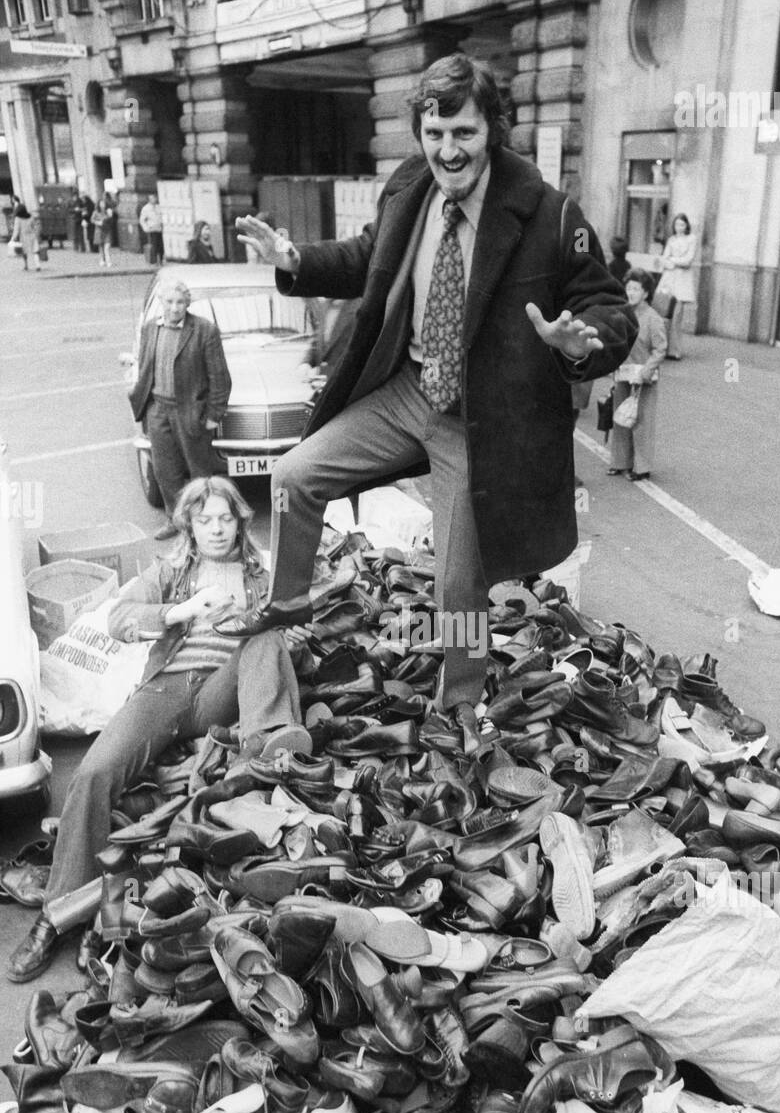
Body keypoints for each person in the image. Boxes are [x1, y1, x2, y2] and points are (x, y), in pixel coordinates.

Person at [216, 54, 635, 732]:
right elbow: (365, 257)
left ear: (493, 129)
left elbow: (608, 305)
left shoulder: (549, 215)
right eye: (435, 133)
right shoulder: (409, 187)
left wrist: (584, 339)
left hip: (480, 420)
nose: (448, 150)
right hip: (407, 390)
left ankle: (462, 702)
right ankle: (286, 612)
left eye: (464, 133)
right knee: (293, 474)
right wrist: (296, 262)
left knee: (457, 580)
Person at [6, 476, 310, 984]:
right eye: (204, 519)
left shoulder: (264, 577)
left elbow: (299, 631)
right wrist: (179, 611)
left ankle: (265, 750)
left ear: (240, 520)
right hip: (168, 687)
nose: (216, 529)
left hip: (223, 693)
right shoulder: (171, 570)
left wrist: (292, 639)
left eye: (225, 517)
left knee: (269, 638)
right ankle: (55, 917)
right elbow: (117, 619)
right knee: (94, 771)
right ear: (190, 524)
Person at [128, 275, 231, 540]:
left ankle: (204, 521)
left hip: (190, 413)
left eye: (180, 302)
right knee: (165, 471)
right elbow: (145, 367)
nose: (175, 308)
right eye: (170, 302)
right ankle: (176, 520)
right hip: (157, 410)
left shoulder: (204, 330)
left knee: (199, 471)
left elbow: (220, 378)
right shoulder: (151, 328)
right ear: (161, 302)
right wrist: (143, 400)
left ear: (188, 303)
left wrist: (213, 416)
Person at [607, 269, 667, 482]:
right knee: (621, 418)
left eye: (635, 289)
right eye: (628, 288)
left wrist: (646, 370)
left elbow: (660, 349)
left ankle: (641, 467)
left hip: (644, 378)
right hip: (623, 373)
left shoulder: (653, 319)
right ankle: (619, 462)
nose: (630, 292)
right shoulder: (621, 313)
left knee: (641, 421)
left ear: (646, 293)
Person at [658, 213, 696, 360]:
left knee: (677, 316)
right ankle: (663, 347)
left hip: (682, 280)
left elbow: (688, 260)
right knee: (664, 314)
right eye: (676, 224)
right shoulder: (671, 239)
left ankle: (675, 350)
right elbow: (664, 258)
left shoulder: (691, 239)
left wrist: (672, 261)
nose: (679, 227)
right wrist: (671, 262)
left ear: (686, 225)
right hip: (669, 279)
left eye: (682, 224)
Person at [11, 196, 37, 272]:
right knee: (35, 250)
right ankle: (37, 265)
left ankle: (26, 265)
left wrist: (13, 238)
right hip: (32, 235)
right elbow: (34, 226)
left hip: (23, 236)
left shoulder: (18, 218)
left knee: (24, 251)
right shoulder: (30, 217)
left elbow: (16, 229)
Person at [139, 193, 164, 265]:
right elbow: (142, 220)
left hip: (159, 229)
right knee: (154, 245)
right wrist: (146, 228)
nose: (154, 200)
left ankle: (161, 259)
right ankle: (155, 261)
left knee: (161, 246)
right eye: (152, 198)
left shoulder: (159, 207)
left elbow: (161, 216)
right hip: (152, 229)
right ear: (149, 200)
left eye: (155, 198)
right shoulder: (146, 208)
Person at [91, 196, 112, 268]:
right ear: (99, 204)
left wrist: (110, 215)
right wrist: (97, 222)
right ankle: (102, 260)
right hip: (99, 231)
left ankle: (108, 261)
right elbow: (92, 220)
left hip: (107, 231)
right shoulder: (96, 212)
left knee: (107, 247)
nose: (103, 205)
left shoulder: (108, 211)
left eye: (104, 203)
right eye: (101, 203)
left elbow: (110, 219)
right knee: (101, 247)